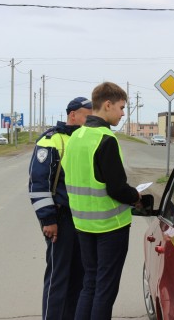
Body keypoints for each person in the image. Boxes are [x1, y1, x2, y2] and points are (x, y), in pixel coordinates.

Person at [63, 82, 142, 320]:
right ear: (107, 105)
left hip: (83, 225)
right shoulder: (106, 139)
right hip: (111, 227)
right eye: (121, 107)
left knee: (90, 284)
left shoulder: (76, 137)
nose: (122, 113)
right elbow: (117, 188)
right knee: (105, 291)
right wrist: (136, 196)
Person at [28, 96, 92, 320]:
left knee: (81, 276)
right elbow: (38, 184)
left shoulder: (87, 139)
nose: (90, 118)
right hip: (61, 219)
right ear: (72, 115)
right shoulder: (51, 140)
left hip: (84, 220)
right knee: (58, 277)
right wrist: (48, 220)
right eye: (87, 114)